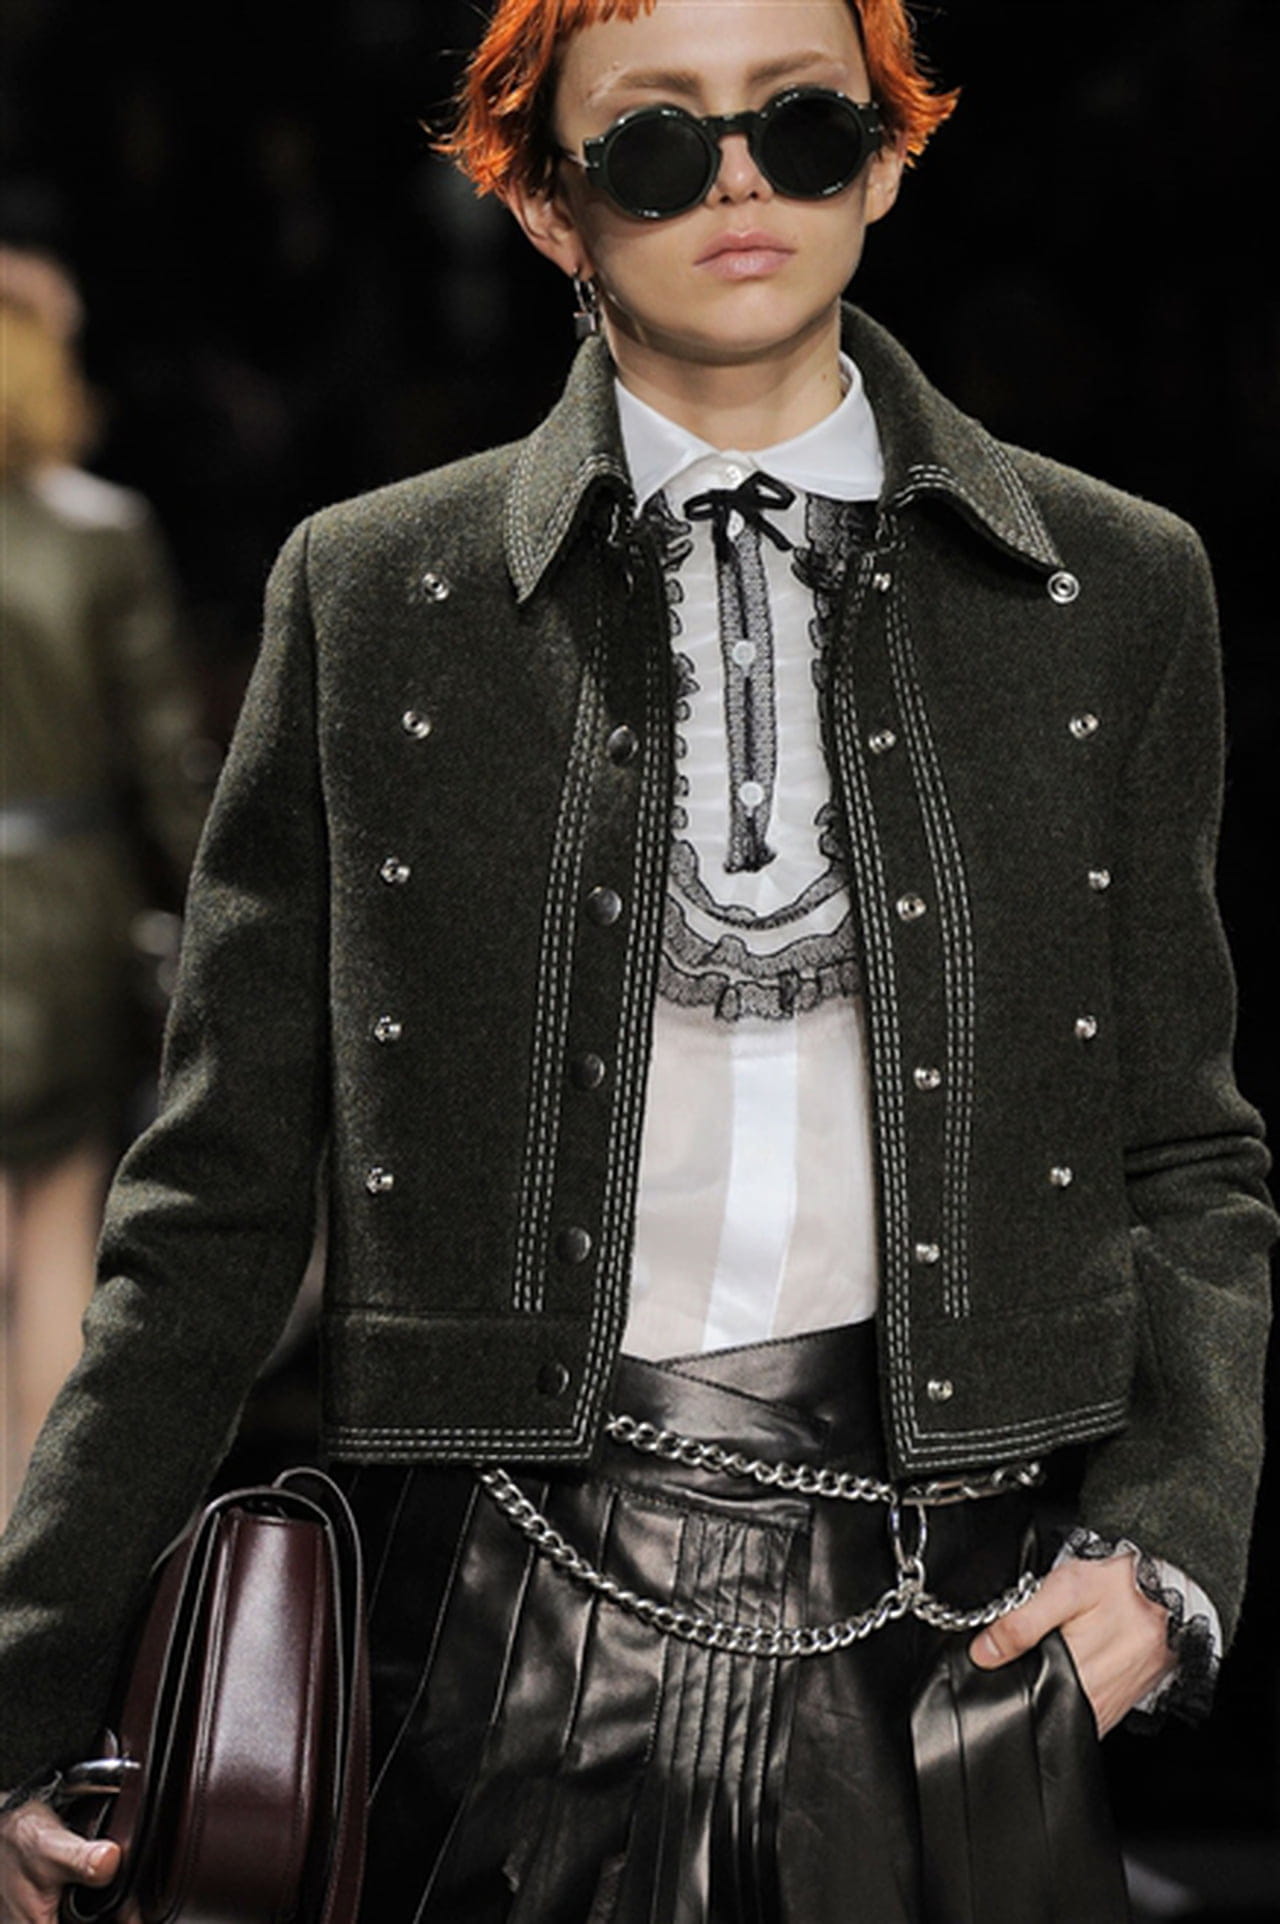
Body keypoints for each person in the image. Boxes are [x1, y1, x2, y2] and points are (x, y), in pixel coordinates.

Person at [0, 1, 1274, 1918]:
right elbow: (216, 1202)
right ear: (546, 202)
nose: (742, 179)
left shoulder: (1110, 586)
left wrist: (1173, 1544)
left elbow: (1183, 1139)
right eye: (661, 141)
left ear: (889, 158)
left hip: (967, 1635)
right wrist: (25, 1693)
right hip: (497, 1643)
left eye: (805, 125)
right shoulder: (378, 596)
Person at [0, 248, 207, 1528]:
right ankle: (27, 1558)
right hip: (68, 913)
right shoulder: (101, 533)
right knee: (59, 1229)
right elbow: (165, 759)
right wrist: (216, 911)